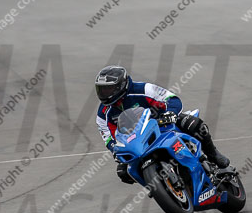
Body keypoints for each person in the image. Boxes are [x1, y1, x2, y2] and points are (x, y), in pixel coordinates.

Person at [95, 65, 230, 184]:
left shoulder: (143, 89)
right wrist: (114, 149)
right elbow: (108, 137)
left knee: (193, 124)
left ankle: (213, 155)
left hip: (163, 123)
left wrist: (170, 113)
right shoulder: (103, 113)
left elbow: (171, 98)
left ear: (121, 85)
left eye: (108, 89)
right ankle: (159, 185)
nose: (104, 94)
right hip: (137, 140)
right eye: (101, 90)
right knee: (124, 173)